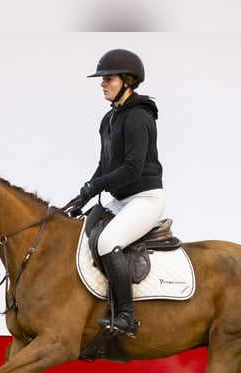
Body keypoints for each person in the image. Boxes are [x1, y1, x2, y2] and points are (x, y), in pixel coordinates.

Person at [73, 48, 165, 338]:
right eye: (102, 80)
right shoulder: (109, 119)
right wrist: (83, 195)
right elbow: (105, 165)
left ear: (127, 80)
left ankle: (126, 316)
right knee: (82, 234)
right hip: (120, 200)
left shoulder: (138, 116)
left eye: (108, 79)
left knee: (107, 241)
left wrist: (97, 186)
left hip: (144, 198)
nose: (102, 84)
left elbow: (133, 169)